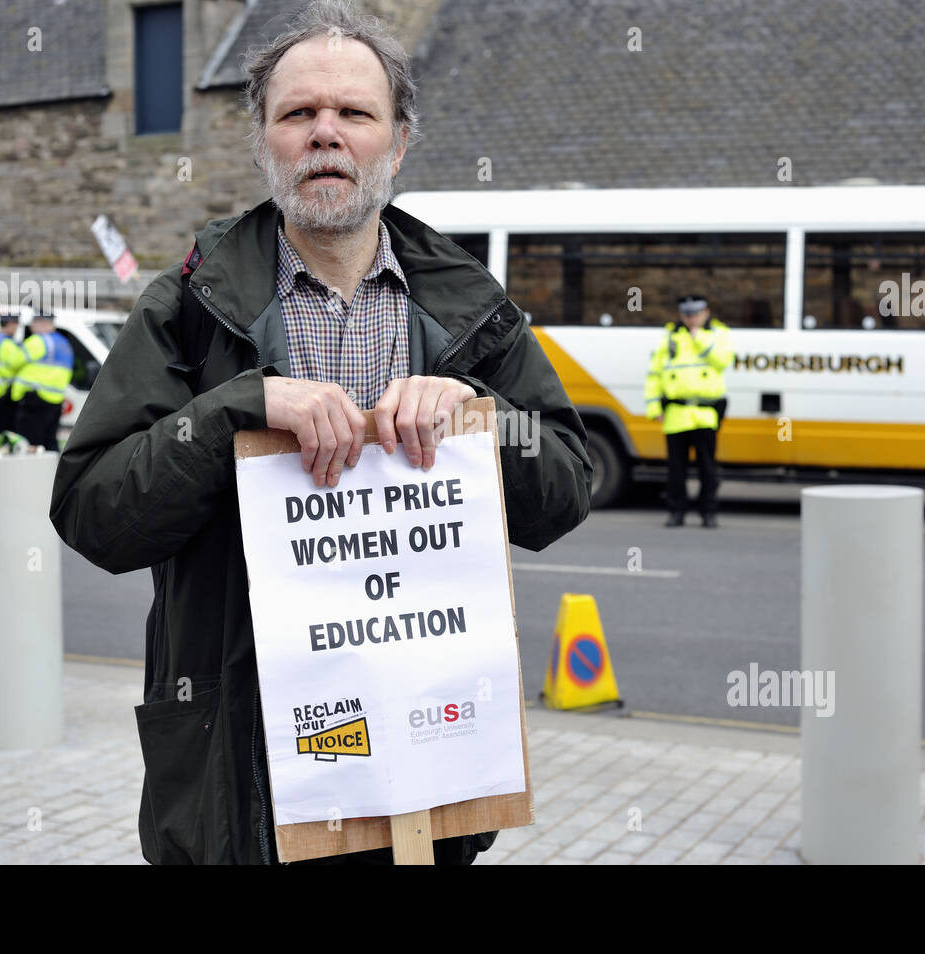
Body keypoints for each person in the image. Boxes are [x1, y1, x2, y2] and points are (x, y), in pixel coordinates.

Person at [49, 0, 591, 867]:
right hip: (243, 786)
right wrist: (233, 409)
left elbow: (566, 489)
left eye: (354, 114)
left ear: (399, 143)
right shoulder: (186, 305)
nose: (324, 134)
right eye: (298, 114)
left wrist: (475, 417)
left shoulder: (470, 309)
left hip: (421, 775)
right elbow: (93, 514)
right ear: (264, 141)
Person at [645, 294, 733, 528]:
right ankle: (676, 512)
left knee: (708, 468)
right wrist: (654, 407)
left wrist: (699, 338)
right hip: (676, 413)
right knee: (676, 470)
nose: (691, 319)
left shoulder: (718, 334)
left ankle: (708, 513)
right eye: (686, 315)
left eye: (695, 314)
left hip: (705, 413)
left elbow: (723, 360)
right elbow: (655, 373)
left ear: (706, 313)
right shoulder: (670, 336)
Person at [11, 312, 74, 451]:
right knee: (49, 442)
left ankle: (31, 473)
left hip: (35, 399)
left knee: (29, 445)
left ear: (43, 323)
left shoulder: (38, 341)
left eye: (34, 323)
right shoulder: (63, 343)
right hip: (55, 399)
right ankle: (52, 472)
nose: (32, 327)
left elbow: (13, 362)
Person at [0, 313, 24, 448]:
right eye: (16, 326)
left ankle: (2, 453)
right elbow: (19, 365)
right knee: (10, 433)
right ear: (11, 324)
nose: (16, 329)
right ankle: (7, 458)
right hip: (6, 394)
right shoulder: (8, 345)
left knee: (1, 431)